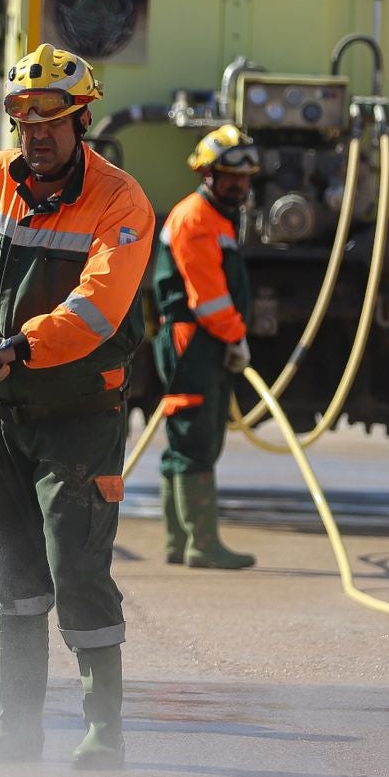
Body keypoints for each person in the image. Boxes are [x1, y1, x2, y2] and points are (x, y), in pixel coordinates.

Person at [0, 43, 155, 771]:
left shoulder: (120, 202)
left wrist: (16, 346)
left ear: (82, 118)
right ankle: (15, 727)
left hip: (78, 417)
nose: (38, 131)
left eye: (53, 117)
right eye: (25, 116)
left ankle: (103, 729)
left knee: (77, 566)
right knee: (12, 574)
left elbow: (97, 308)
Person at [151, 123, 259, 570]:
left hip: (201, 341)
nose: (239, 184)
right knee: (194, 440)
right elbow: (208, 296)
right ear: (207, 173)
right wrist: (236, 336)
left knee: (190, 440)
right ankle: (201, 542)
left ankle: (180, 541)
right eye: (230, 175)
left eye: (245, 177)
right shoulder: (197, 219)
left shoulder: (216, 219)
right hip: (194, 341)